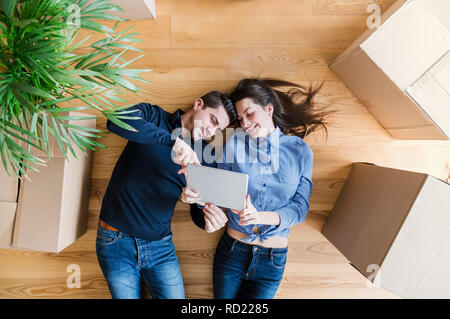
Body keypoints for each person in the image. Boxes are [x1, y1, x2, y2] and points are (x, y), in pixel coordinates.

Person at [182, 78, 332, 299]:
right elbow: (218, 195)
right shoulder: (233, 144)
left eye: (250, 114)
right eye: (241, 119)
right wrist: (198, 197)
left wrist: (259, 216)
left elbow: (300, 209)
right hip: (233, 250)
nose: (245, 124)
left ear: (268, 109)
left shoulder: (299, 150)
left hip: (273, 259)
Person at [96, 91, 237, 299]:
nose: (211, 130)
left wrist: (200, 207)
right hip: (115, 241)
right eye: (212, 120)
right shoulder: (153, 116)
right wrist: (173, 141)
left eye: (218, 128)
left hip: (160, 246)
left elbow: (200, 217)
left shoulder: (206, 158)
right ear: (198, 104)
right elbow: (114, 121)